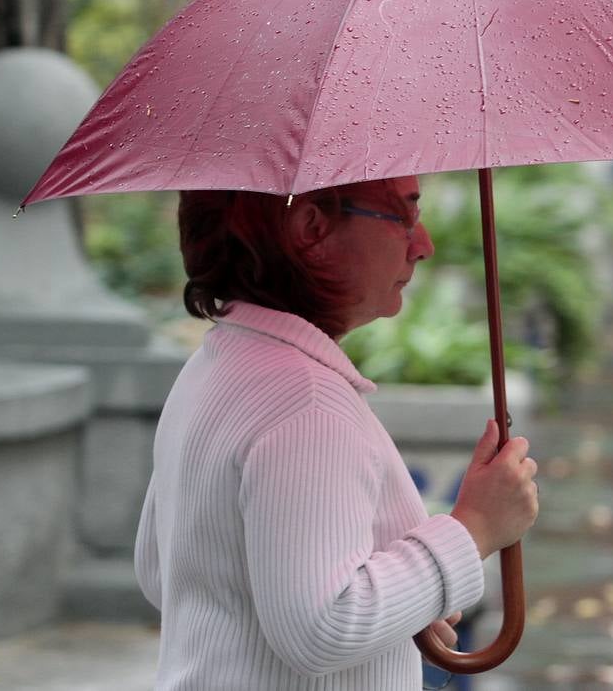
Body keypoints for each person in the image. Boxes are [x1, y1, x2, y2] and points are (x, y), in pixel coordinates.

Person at [134, 176, 539, 690]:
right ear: (311, 227)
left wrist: (405, 598)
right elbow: (323, 625)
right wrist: (476, 526)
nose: (424, 244)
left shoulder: (213, 366)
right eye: (404, 215)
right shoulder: (307, 405)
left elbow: (162, 569)